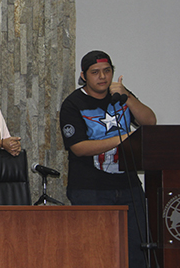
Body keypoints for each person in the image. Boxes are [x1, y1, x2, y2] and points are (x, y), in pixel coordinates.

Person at [59, 50, 156, 268]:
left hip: (128, 186)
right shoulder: (73, 104)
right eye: (95, 72)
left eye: (107, 71)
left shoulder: (121, 96)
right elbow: (79, 148)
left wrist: (127, 96)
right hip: (90, 189)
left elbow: (150, 122)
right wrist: (122, 139)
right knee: (96, 252)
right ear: (84, 76)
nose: (102, 77)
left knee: (138, 253)